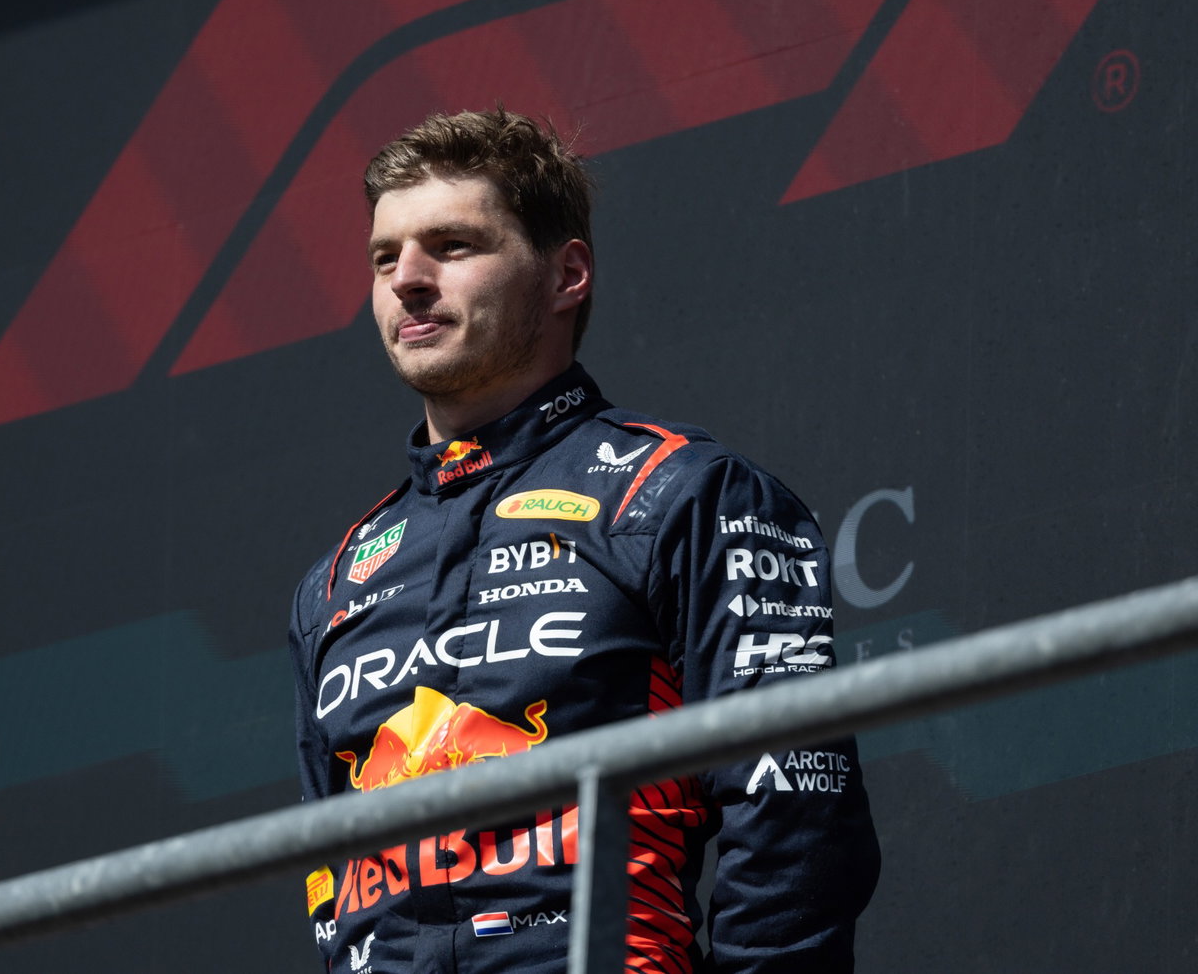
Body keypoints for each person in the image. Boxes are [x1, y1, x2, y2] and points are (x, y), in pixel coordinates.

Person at [288, 107, 878, 973]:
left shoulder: (676, 493)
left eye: (452, 245)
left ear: (567, 275)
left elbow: (795, 809)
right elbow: (330, 886)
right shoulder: (336, 580)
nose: (407, 278)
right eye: (385, 257)